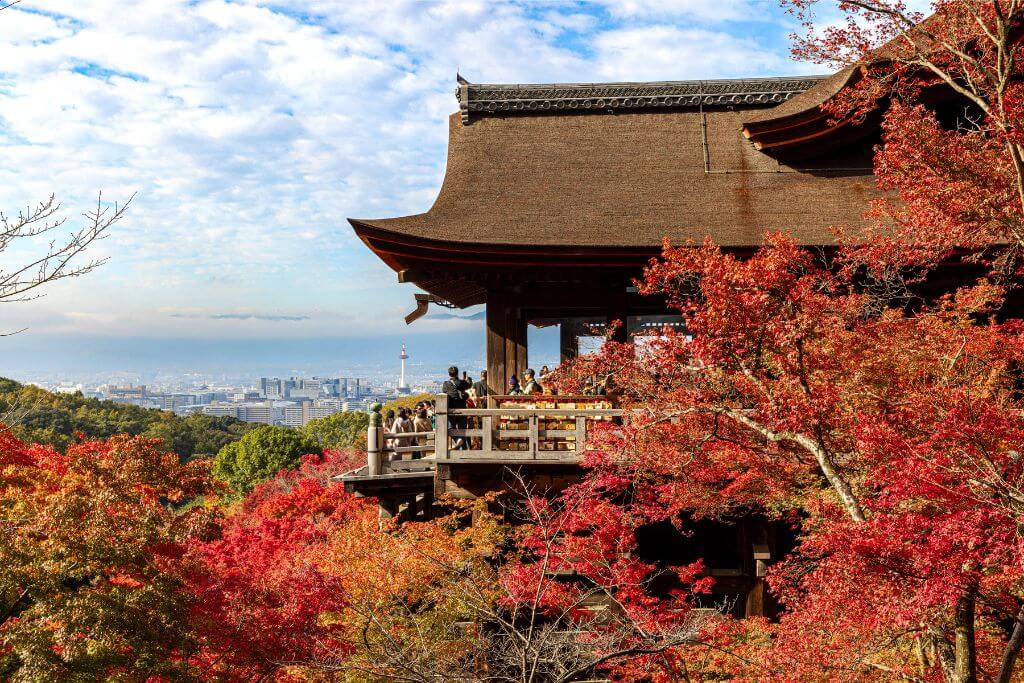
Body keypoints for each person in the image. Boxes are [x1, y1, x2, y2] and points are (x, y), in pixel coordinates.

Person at [442, 366, 471, 449]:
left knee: (450, 429)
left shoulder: (446, 384)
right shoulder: (462, 382)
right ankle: (463, 449)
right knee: (462, 430)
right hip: (462, 409)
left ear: (449, 374)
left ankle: (458, 440)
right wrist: (467, 378)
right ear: (457, 373)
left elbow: (444, 392)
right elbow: (469, 385)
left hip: (451, 410)